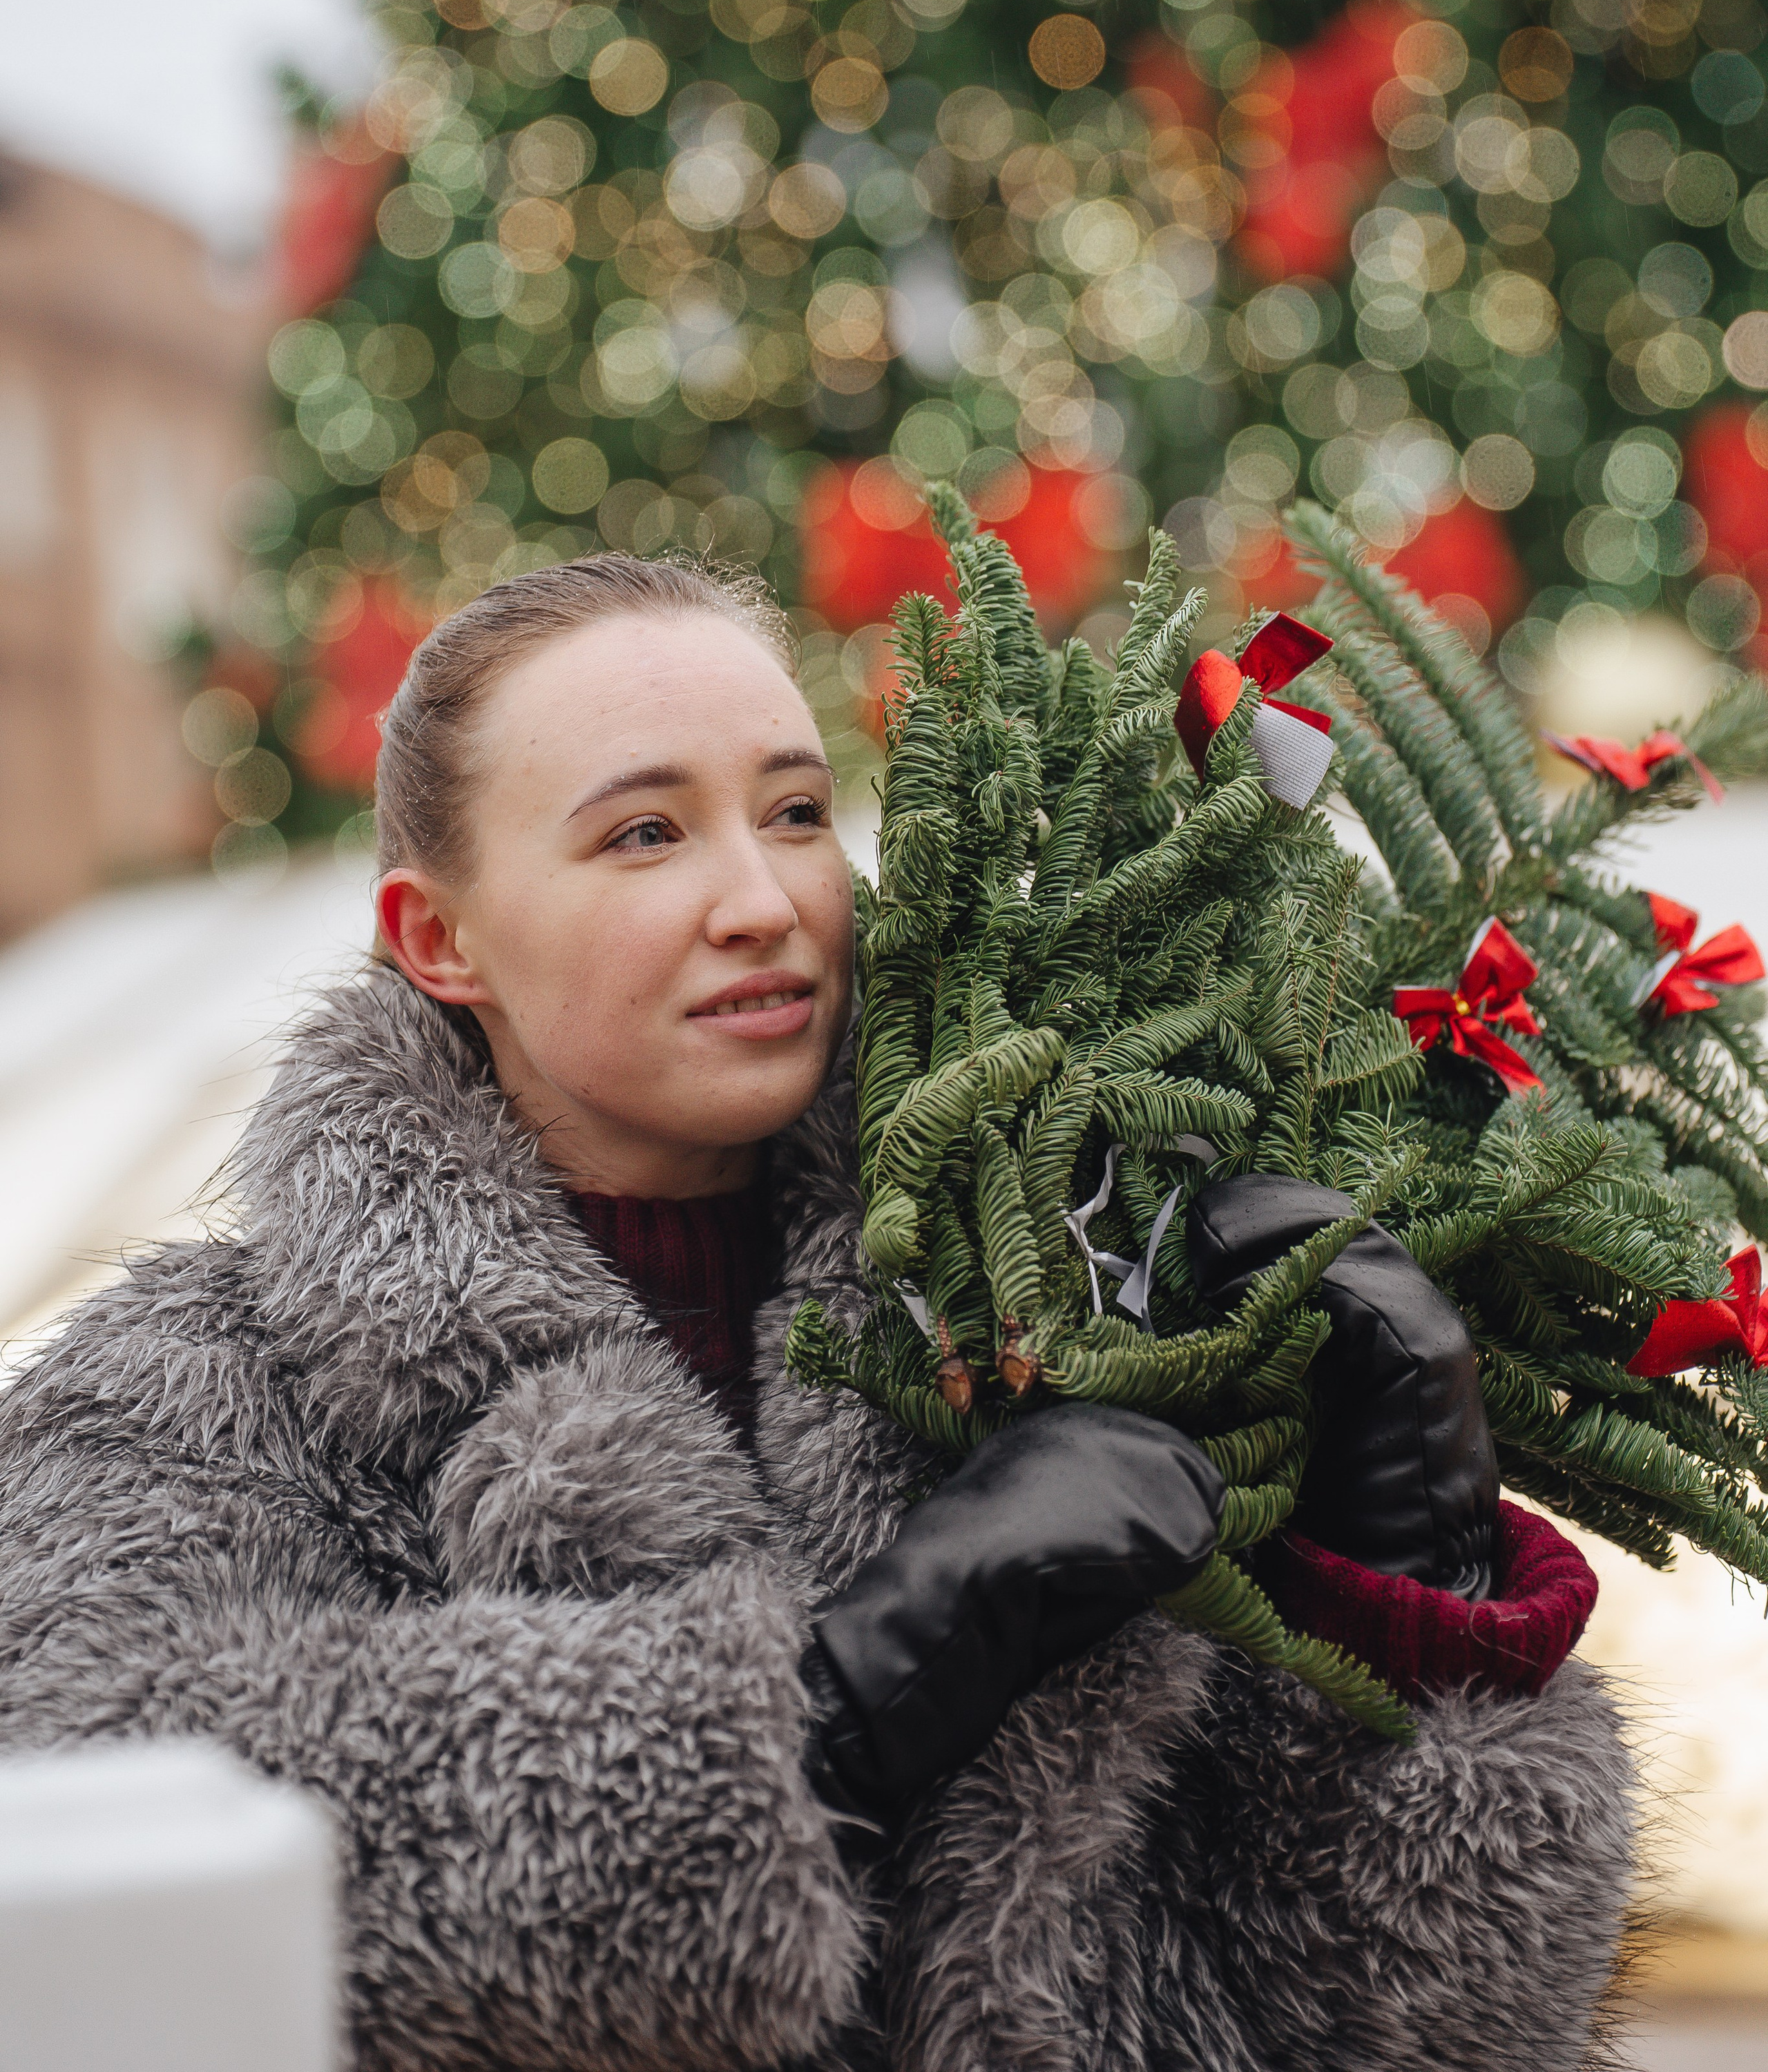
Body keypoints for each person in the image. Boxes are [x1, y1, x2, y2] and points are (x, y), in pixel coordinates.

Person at [0, 552, 1632, 2072]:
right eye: (645, 833)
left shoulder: (1053, 1305)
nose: (763, 900)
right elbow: (130, 1858)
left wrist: (1414, 1597)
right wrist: (846, 1697)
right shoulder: (184, 1390)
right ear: (441, 939)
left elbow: (1402, 2022)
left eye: (790, 812)